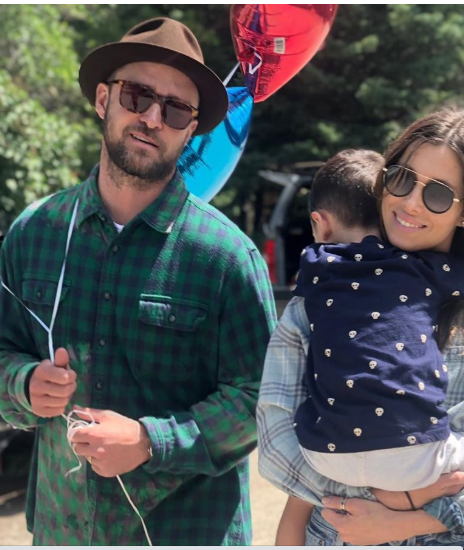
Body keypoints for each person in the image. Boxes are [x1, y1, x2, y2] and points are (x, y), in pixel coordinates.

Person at [0, 18, 277, 545]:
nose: (152, 118)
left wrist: (152, 440)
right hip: (63, 530)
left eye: (175, 110)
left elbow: (261, 401)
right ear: (104, 99)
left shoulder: (227, 257)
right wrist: (24, 384)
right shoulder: (35, 233)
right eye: (137, 95)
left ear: (191, 130)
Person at [258, 107, 464, 548]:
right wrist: (402, 499)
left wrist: (410, 521)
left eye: (438, 194)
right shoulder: (313, 306)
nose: (412, 202)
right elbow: (275, 443)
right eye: (402, 179)